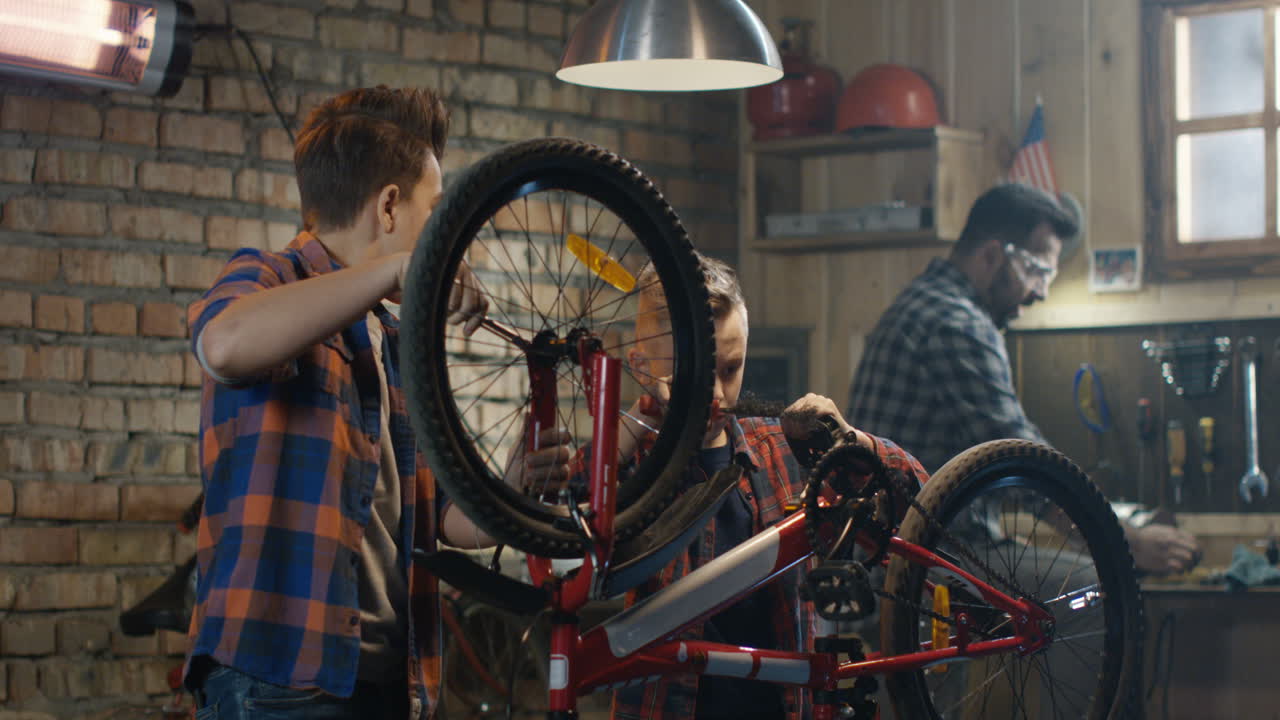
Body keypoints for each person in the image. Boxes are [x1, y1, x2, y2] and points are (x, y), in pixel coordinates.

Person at [181, 86, 532, 719]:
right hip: (280, 680)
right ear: (390, 206)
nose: (442, 236)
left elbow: (441, 518)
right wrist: (395, 273)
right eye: (435, 212)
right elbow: (223, 345)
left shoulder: (392, 337)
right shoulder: (269, 276)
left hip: (386, 679)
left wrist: (511, 492)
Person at [608, 254, 930, 720]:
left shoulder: (783, 452)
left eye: (730, 369)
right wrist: (637, 420)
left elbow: (921, 502)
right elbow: (566, 538)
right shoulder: (631, 465)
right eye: (694, 372)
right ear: (642, 367)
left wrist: (850, 440)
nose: (716, 394)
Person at [846, 182, 1199, 575]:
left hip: (892, 551)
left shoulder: (923, 302)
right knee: (1092, 587)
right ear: (992, 255)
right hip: (920, 560)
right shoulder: (957, 323)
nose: (1042, 291)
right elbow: (1021, 462)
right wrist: (1125, 543)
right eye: (1037, 270)